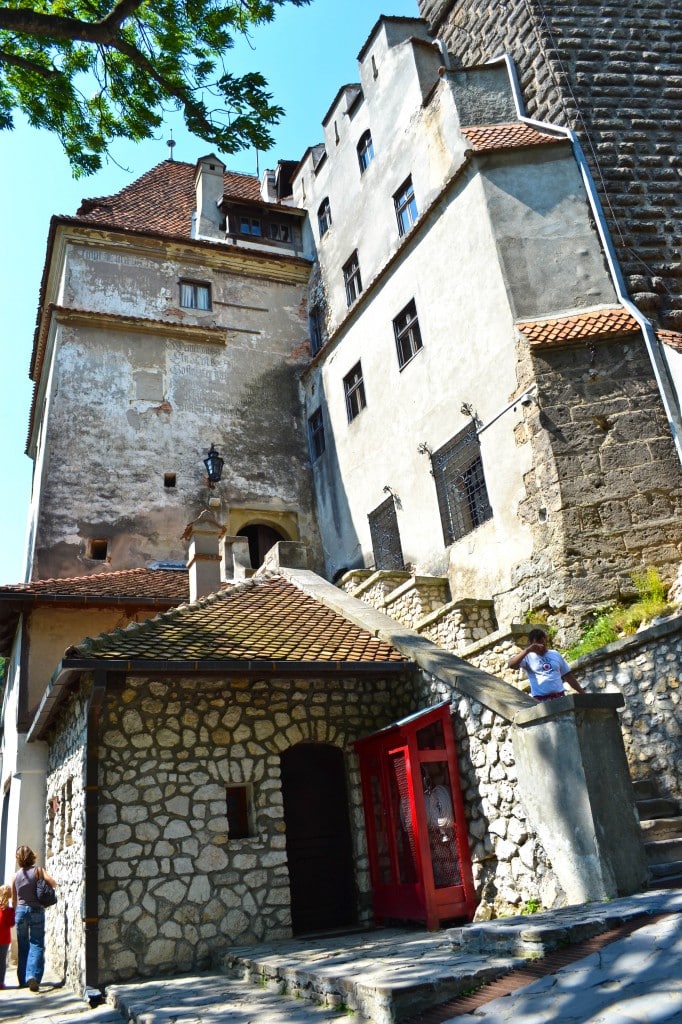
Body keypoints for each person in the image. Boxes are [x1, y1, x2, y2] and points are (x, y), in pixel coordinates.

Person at [12, 846, 57, 993]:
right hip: (36, 910)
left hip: (20, 912)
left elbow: (14, 900)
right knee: (36, 943)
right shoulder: (38, 871)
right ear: (32, 856)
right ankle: (33, 976)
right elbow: (53, 883)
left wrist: (15, 915)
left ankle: (22, 979)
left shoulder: (15, 876)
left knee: (23, 946)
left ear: (18, 859)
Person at [508, 628, 585, 701]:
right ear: (532, 644)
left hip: (560, 697)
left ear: (546, 640)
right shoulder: (528, 657)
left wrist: (582, 693)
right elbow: (511, 664)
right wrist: (527, 650)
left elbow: (568, 676)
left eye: (543, 643)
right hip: (540, 700)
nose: (541, 646)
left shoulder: (555, 654)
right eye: (537, 644)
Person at [0, 885, 14, 990]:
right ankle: (1, 982)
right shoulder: (10, 910)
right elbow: (11, 924)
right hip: (5, 939)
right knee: (2, 961)